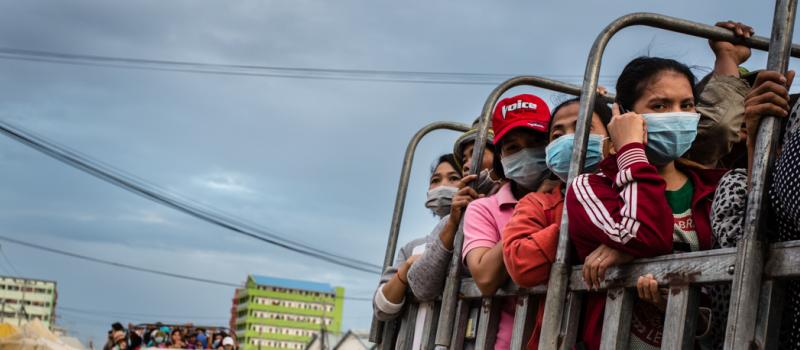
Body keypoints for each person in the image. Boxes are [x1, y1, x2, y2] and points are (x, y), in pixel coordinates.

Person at [565, 56, 729, 350]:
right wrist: (630, 148)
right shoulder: (591, 187)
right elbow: (644, 234)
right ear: (625, 115)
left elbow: (721, 296)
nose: (676, 115)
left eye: (686, 105)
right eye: (660, 106)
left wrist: (677, 304)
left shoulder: (716, 188)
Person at [502, 96, 611, 349]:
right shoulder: (537, 204)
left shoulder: (632, 189)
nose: (569, 139)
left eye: (583, 127)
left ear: (611, 137)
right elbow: (521, 263)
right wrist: (581, 226)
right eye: (557, 134)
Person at [462, 93, 558, 350]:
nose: (525, 153)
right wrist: (533, 206)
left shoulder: (572, 192)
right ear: (501, 159)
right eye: (513, 148)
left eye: (535, 142)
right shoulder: (483, 209)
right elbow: (485, 277)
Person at [404, 122, 502, 303]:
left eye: (476, 153)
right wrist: (453, 224)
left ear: (501, 157)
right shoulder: (452, 219)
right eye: (464, 159)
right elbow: (421, 287)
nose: (466, 165)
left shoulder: (520, 204)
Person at [372, 154, 461, 349]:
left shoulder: (473, 240)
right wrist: (409, 266)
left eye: (454, 178)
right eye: (435, 180)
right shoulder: (413, 247)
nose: (442, 186)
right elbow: (382, 307)